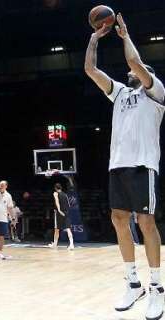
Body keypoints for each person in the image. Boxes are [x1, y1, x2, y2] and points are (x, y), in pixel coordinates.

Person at [85, 13, 165, 318]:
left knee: (146, 223)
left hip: (142, 165)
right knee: (119, 219)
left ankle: (157, 287)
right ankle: (133, 282)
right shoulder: (119, 93)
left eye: (141, 71)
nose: (133, 73)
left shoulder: (155, 93)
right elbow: (90, 69)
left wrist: (124, 35)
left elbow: (134, 64)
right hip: (117, 166)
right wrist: (94, 38)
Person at [49, 183, 74, 250]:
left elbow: (57, 201)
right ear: (61, 188)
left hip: (59, 213)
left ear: (55, 188)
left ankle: (55, 244)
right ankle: (71, 244)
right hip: (66, 213)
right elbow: (69, 204)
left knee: (57, 229)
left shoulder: (55, 193)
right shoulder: (65, 194)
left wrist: (59, 210)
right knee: (68, 228)